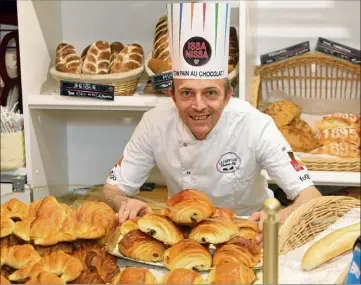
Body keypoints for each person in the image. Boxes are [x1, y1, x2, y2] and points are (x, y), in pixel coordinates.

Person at [99, 2, 322, 244]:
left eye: (210, 93)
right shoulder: (154, 124)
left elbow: (311, 195)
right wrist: (124, 203)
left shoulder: (256, 125)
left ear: (227, 96)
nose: (198, 105)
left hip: (249, 236)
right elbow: (112, 190)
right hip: (183, 237)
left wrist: (284, 215)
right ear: (172, 96)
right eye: (186, 94)